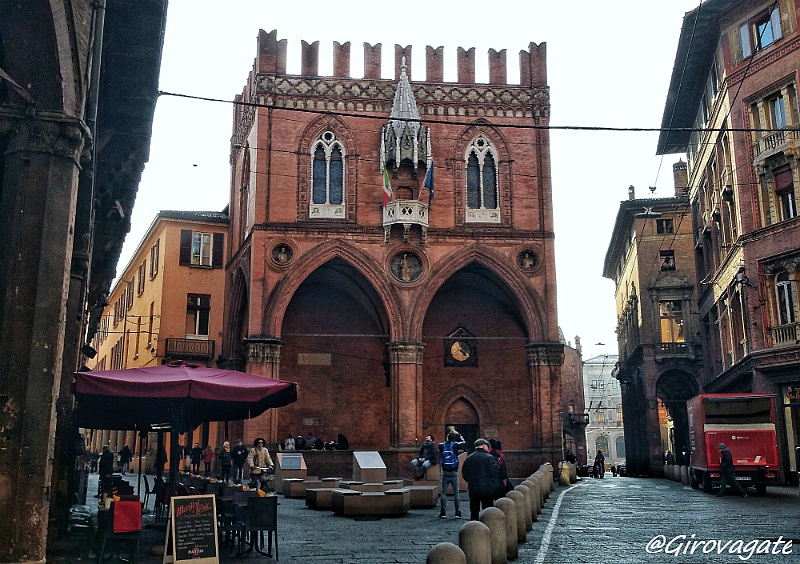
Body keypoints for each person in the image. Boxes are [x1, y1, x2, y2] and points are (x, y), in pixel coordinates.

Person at [461, 439, 500, 521]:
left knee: (474, 509)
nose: (488, 448)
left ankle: (473, 526)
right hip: (487, 487)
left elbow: (464, 472)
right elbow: (494, 472)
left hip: (473, 487)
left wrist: (470, 481)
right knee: (488, 509)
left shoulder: (469, 458)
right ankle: (488, 525)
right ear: (483, 446)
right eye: (487, 446)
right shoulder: (489, 457)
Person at [438, 430, 467, 519]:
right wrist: (459, 434)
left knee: (443, 493)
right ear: (454, 439)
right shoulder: (455, 445)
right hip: (454, 472)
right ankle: (457, 512)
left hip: (445, 472)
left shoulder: (441, 445)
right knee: (456, 492)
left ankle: (443, 512)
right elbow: (464, 443)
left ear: (447, 437)